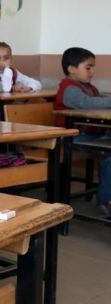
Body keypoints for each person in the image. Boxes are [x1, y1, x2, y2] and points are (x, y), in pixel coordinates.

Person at [54, 47, 111, 214]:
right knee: (108, 152)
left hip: (88, 135)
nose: (92, 72)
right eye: (88, 67)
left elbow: (102, 100)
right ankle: (106, 199)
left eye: (93, 67)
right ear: (72, 69)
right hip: (71, 137)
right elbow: (88, 103)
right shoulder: (69, 89)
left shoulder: (89, 87)